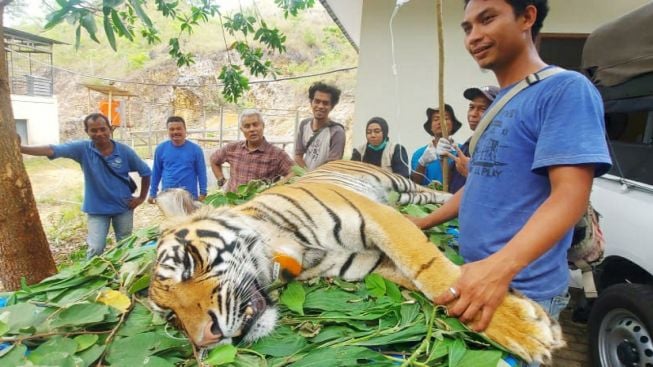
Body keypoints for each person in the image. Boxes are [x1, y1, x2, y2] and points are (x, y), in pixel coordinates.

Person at [412, 0, 612, 348]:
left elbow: (569, 195)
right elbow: (477, 185)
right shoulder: (500, 104)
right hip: (476, 276)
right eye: (468, 27)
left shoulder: (564, 90)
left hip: (521, 291)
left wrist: (500, 268)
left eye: (487, 19)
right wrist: (420, 224)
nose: (474, 36)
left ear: (527, 17)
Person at [20, 113, 151, 259]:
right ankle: (91, 277)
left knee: (125, 244)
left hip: (123, 207)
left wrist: (141, 198)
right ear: (87, 132)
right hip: (97, 209)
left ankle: (123, 277)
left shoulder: (124, 151)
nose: (99, 133)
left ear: (110, 129)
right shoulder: (82, 149)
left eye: (103, 129)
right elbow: (52, 149)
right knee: (96, 247)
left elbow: (145, 172)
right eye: (94, 130)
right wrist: (21, 148)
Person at [210, 109, 295, 192]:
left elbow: (295, 173)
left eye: (255, 125)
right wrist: (222, 182)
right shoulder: (232, 148)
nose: (252, 129)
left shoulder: (277, 154)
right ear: (241, 129)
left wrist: (277, 186)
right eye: (247, 126)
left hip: (259, 204)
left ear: (263, 126)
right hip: (233, 203)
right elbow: (214, 159)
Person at [448, 85, 499, 193]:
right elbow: (453, 184)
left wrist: (471, 174)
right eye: (471, 107)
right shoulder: (467, 146)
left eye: (483, 109)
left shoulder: (499, 147)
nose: (473, 114)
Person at [148, 116, 207, 203]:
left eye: (179, 129)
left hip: (189, 196)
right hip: (167, 197)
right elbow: (156, 172)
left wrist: (203, 192)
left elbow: (201, 172)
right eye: (171, 129)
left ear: (185, 130)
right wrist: (152, 193)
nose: (175, 132)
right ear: (167, 131)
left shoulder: (196, 150)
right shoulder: (160, 149)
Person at [294, 82, 345, 171]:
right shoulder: (304, 125)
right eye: (317, 101)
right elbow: (298, 156)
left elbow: (332, 165)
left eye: (325, 103)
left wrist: (312, 177)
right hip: (304, 177)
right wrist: (306, 174)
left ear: (332, 106)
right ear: (311, 102)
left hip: (323, 180)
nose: (320, 106)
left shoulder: (337, 132)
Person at [409, 104, 462, 186]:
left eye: (446, 118)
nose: (440, 122)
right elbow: (415, 184)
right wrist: (422, 164)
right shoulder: (419, 154)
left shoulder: (462, 151)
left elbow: (460, 182)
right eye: (436, 119)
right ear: (430, 127)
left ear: (452, 124)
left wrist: (443, 158)